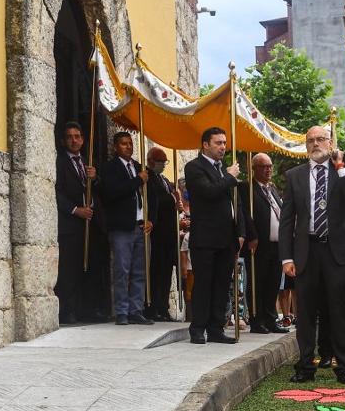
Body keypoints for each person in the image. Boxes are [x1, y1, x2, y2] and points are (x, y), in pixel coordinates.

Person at [281, 126, 345, 383]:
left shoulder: (342, 172)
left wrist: (341, 166)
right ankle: (306, 366)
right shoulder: (294, 176)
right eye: (311, 140)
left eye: (321, 139)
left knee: (339, 310)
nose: (315, 144)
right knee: (306, 312)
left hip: (337, 251)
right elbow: (287, 220)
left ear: (330, 143)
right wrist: (286, 257)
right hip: (306, 251)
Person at [183, 127, 244, 344]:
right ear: (205, 145)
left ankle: (216, 327)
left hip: (226, 237)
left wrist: (240, 232)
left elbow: (234, 205)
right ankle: (198, 328)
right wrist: (229, 177)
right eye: (218, 143)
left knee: (221, 284)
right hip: (205, 238)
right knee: (204, 283)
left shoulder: (222, 170)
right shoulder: (194, 167)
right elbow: (208, 192)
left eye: (225, 143)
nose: (223, 147)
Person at [100, 131, 154, 326]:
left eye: (130, 143)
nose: (128, 147)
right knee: (122, 270)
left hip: (140, 225)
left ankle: (136, 309)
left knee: (139, 270)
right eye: (123, 144)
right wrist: (137, 180)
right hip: (122, 226)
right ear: (116, 147)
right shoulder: (110, 168)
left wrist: (151, 219)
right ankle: (122, 310)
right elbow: (112, 192)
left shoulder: (140, 168)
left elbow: (152, 195)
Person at [54, 122, 102, 325]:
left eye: (77, 136)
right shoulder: (59, 161)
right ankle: (68, 311)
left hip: (89, 224)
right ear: (64, 140)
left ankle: (88, 309)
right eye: (70, 136)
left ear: (83, 139)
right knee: (70, 269)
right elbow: (56, 190)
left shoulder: (87, 162)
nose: (74, 140)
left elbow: (97, 191)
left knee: (90, 267)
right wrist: (76, 210)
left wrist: (95, 178)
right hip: (71, 223)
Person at [239, 153, 287, 334]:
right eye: (263, 166)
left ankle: (271, 318)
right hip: (258, 243)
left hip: (276, 244)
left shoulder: (272, 189)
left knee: (273, 283)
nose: (268, 170)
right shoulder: (247, 188)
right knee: (257, 282)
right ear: (254, 169)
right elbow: (245, 214)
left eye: (270, 166)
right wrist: (251, 235)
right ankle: (256, 319)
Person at [145, 147, 180, 322]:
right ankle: (153, 307)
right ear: (151, 161)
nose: (163, 165)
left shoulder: (164, 179)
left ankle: (163, 306)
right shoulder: (148, 178)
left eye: (165, 162)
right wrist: (174, 198)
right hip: (157, 233)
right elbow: (158, 199)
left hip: (169, 233)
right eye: (161, 162)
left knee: (166, 271)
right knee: (156, 271)